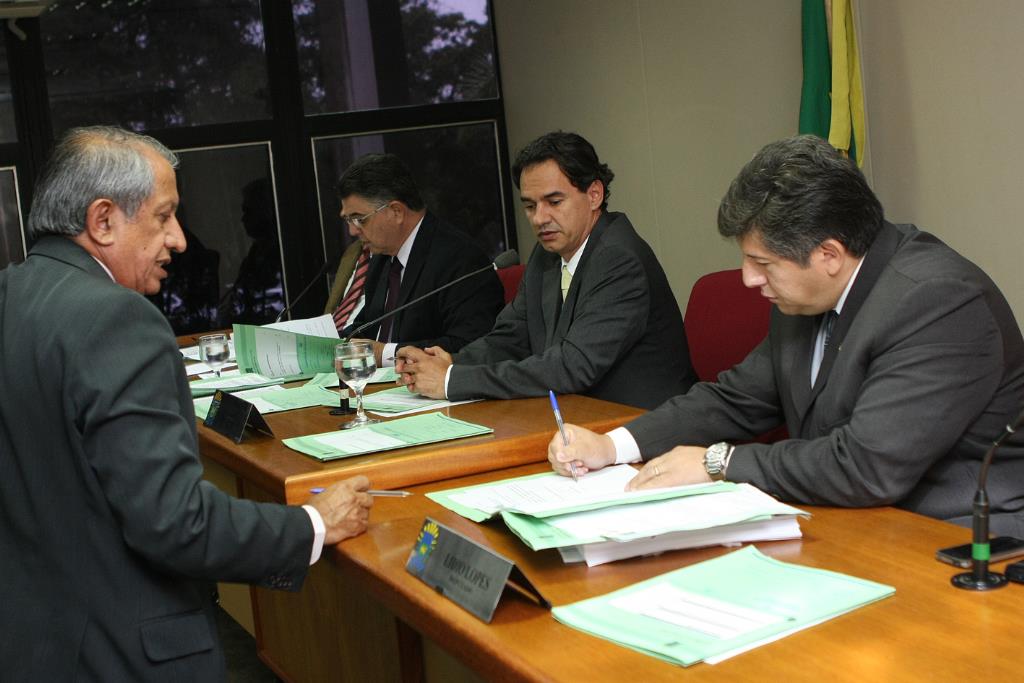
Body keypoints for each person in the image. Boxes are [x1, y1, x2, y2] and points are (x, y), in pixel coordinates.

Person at [0, 126, 374, 681]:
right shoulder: (117, 319)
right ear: (103, 220)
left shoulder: (12, 292)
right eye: (163, 216)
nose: (178, 238)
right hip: (120, 653)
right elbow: (175, 524)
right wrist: (312, 524)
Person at [549, 134, 1024, 535]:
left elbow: (866, 467)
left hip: (957, 537)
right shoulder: (807, 294)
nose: (748, 280)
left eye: (761, 263)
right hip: (848, 517)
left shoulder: (937, 301)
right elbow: (735, 399)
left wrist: (719, 464)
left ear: (829, 254)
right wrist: (612, 446)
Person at [396, 131, 698, 410]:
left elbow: (571, 366)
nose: (540, 218)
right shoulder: (548, 254)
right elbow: (512, 336)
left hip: (641, 424)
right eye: (530, 206)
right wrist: (453, 362)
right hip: (577, 417)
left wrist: (451, 381)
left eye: (554, 202)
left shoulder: (618, 259)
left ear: (594, 195)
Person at [335, 152, 504, 367]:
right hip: (379, 388)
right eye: (348, 220)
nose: (352, 230)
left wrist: (387, 353)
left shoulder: (460, 260)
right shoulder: (382, 256)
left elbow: (471, 344)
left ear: (396, 211)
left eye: (359, 219)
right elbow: (367, 326)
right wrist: (333, 345)